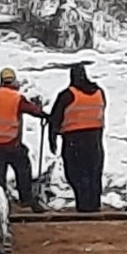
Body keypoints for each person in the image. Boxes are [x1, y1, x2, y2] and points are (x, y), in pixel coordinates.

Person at [0, 67, 48, 212]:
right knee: (23, 169)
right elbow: (32, 110)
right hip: (11, 144)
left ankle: (0, 205)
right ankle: (26, 199)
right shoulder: (16, 98)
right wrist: (44, 115)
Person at [48, 64, 106, 213]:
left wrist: (52, 139)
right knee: (94, 172)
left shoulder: (67, 95)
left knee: (75, 173)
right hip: (95, 139)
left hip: (73, 140)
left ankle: (83, 204)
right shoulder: (99, 92)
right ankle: (94, 204)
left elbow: (55, 119)